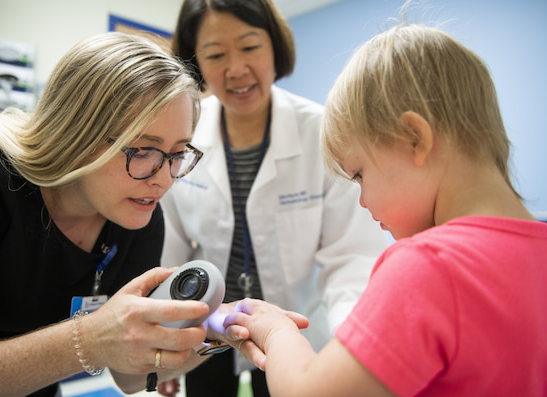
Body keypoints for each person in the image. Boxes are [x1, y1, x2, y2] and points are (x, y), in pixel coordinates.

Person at [0, 32, 281, 396]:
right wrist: (87, 341)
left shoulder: (138, 214)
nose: (164, 179)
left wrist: (208, 331)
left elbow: (130, 377)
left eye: (178, 153)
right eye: (143, 151)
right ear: (77, 131)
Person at [224, 23, 547, 396]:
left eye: (359, 174)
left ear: (415, 139)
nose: (361, 201)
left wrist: (276, 331)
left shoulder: (429, 266)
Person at [160, 0, 388, 395]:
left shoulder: (321, 131)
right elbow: (170, 250)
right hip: (207, 326)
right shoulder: (183, 133)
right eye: (215, 54)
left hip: (293, 332)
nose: (236, 70)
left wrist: (354, 348)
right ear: (194, 63)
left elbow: (350, 255)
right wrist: (166, 339)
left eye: (249, 47)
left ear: (274, 48)